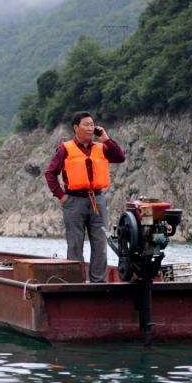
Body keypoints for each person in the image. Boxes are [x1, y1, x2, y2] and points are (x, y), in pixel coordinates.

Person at [44, 111, 126, 282]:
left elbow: (120, 157)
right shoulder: (65, 149)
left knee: (101, 244)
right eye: (86, 124)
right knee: (75, 245)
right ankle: (75, 282)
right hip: (73, 201)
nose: (90, 128)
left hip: (98, 199)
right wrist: (61, 195)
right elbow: (50, 173)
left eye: (92, 124)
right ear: (76, 128)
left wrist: (105, 138)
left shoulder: (101, 147)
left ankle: (98, 282)